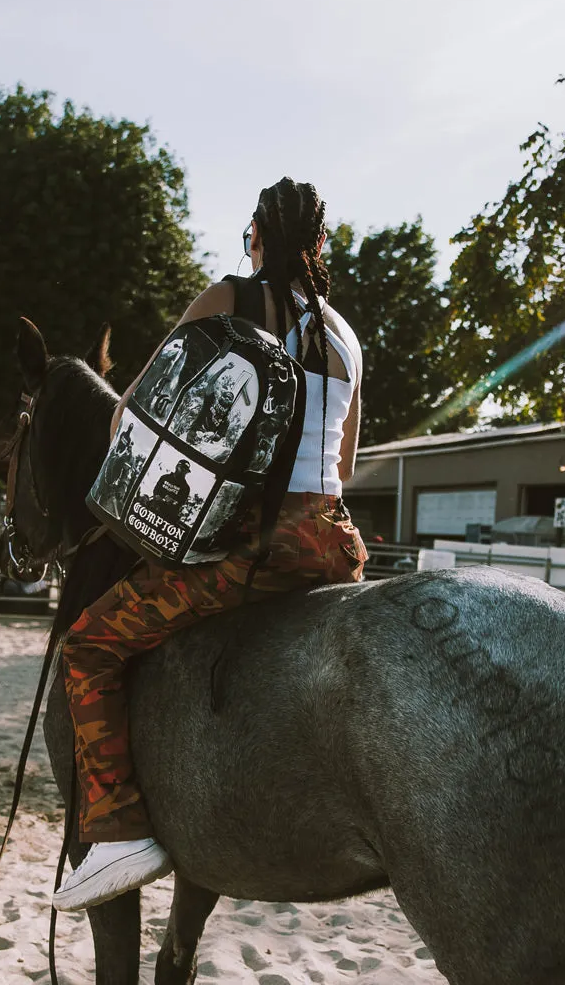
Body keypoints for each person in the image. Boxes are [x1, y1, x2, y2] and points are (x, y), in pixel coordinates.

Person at [53, 177, 368, 911]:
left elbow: (132, 414)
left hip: (259, 546)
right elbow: (344, 467)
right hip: (335, 542)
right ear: (321, 246)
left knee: (90, 647)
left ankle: (120, 828)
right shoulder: (347, 336)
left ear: (256, 236)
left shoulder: (230, 297)